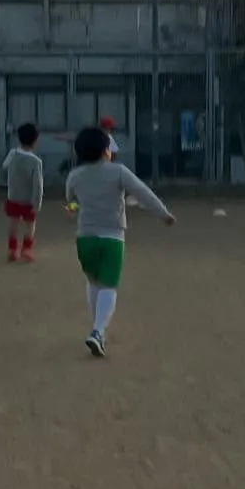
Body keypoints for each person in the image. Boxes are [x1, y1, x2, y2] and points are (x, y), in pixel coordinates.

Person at [65, 126, 175, 358]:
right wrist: (163, 213)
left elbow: (71, 201)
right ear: (106, 151)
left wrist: (74, 206)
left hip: (85, 237)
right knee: (109, 285)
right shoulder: (118, 172)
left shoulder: (74, 176)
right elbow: (143, 192)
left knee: (93, 282)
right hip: (112, 236)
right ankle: (97, 331)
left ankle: (98, 330)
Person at [2, 122, 44, 262]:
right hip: (28, 199)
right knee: (30, 224)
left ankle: (12, 250)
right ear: (35, 141)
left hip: (13, 196)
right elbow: (38, 185)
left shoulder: (12, 154)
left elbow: (4, 166)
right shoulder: (35, 161)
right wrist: (36, 203)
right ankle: (26, 250)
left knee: (13, 223)